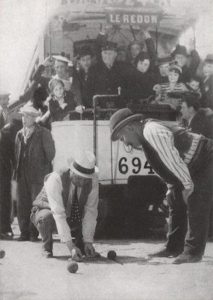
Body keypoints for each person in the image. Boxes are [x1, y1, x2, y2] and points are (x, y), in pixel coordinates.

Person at [109, 108, 213, 264]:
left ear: (130, 127)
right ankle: (173, 247)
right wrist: (172, 187)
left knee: (196, 200)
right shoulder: (144, 139)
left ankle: (193, 252)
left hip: (205, 158)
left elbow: (172, 158)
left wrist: (186, 184)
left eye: (122, 137)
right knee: (175, 200)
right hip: (190, 165)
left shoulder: (151, 131)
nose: (125, 142)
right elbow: (163, 165)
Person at [30, 151, 99, 260]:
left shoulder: (92, 181)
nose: (83, 182)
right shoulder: (55, 179)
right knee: (45, 218)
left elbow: (91, 211)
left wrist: (88, 241)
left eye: (86, 179)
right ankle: (47, 247)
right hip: (47, 208)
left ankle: (82, 245)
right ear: (72, 171)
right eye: (80, 177)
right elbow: (58, 214)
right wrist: (70, 247)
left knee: (100, 209)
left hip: (71, 213)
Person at [14, 103, 55, 241]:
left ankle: (34, 233)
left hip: (38, 174)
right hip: (22, 173)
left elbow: (51, 154)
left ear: (33, 118)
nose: (24, 119)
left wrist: (43, 168)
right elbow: (16, 154)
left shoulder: (43, 133)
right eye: (22, 116)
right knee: (22, 203)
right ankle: (24, 232)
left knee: (36, 203)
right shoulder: (19, 134)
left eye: (27, 116)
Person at [0, 119, 22, 239]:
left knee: (4, 200)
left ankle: (4, 228)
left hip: (4, 173)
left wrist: (16, 167)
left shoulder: (6, 133)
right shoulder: (6, 132)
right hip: (4, 173)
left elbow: (12, 154)